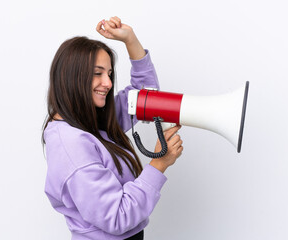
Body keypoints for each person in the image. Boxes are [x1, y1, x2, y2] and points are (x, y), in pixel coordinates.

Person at [42, 16, 183, 240]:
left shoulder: (93, 117)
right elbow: (117, 217)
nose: (107, 83)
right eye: (97, 73)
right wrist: (159, 163)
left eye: (109, 74)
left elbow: (146, 97)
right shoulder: (70, 142)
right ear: (71, 78)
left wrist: (130, 39)